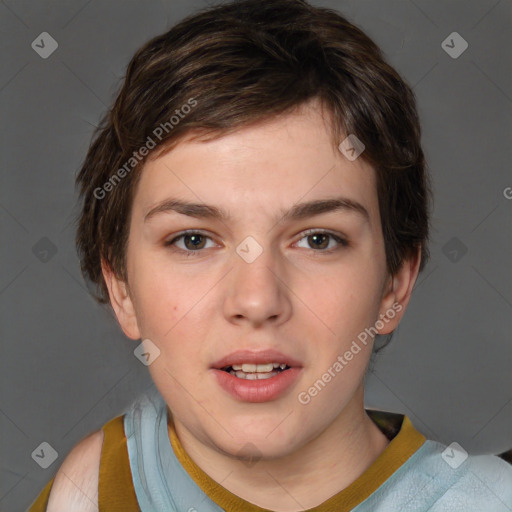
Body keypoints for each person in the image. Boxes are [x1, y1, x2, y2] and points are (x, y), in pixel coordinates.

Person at [28, 0, 512, 510]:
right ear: (121, 288)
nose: (257, 301)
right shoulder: (88, 493)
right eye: (193, 240)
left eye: (318, 239)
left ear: (395, 283)